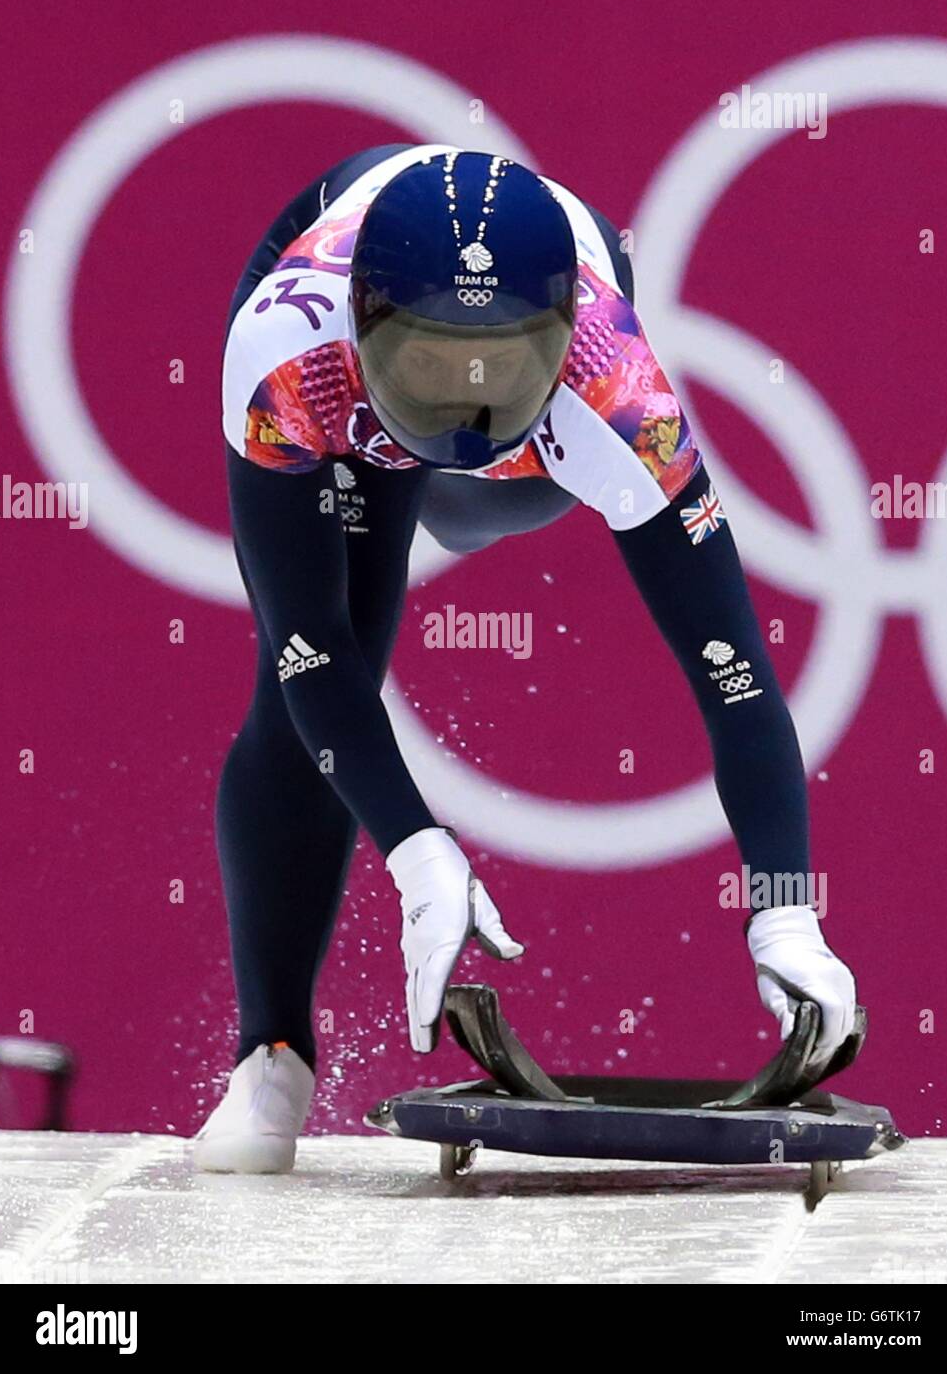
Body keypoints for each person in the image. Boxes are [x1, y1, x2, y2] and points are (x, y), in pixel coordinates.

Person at [194, 145, 856, 1173]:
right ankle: (269, 1054)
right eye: (429, 362)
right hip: (355, 413)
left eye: (496, 364)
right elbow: (308, 649)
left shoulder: (613, 388)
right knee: (316, 678)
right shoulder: (288, 352)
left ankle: (471, 407)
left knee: (483, 499)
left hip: (521, 437)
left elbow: (732, 671)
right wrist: (419, 851)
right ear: (364, 327)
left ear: (557, 342)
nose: (463, 395)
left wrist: (785, 911)